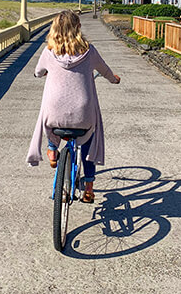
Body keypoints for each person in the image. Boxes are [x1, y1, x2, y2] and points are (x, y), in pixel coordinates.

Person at [26, 10, 120, 203]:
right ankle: (89, 190)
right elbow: (107, 72)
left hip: (55, 112)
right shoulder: (89, 51)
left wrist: (44, 73)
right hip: (82, 113)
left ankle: (52, 149)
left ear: (55, 30)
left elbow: (37, 72)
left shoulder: (48, 52)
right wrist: (114, 79)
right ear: (78, 28)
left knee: (50, 120)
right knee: (88, 145)